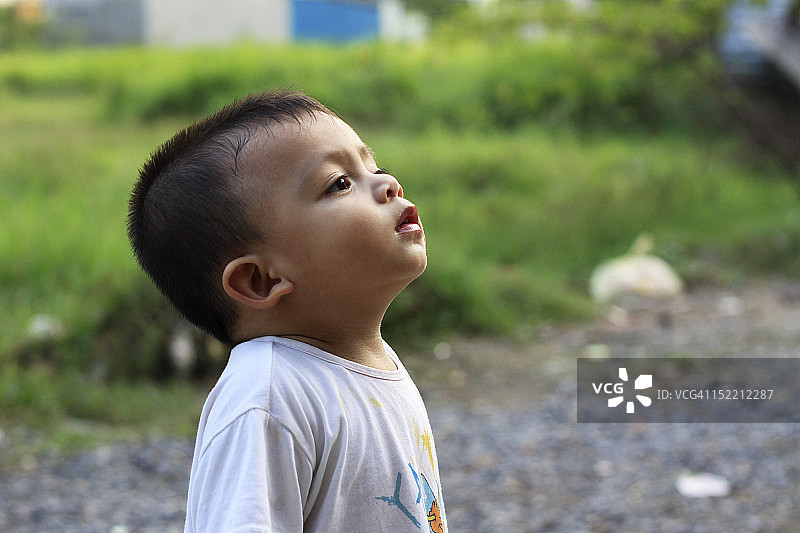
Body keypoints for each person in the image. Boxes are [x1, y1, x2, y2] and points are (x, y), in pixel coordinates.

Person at [127, 89, 447, 532]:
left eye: (374, 167)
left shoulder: (368, 361)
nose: (388, 184)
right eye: (340, 183)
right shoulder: (270, 396)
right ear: (261, 281)